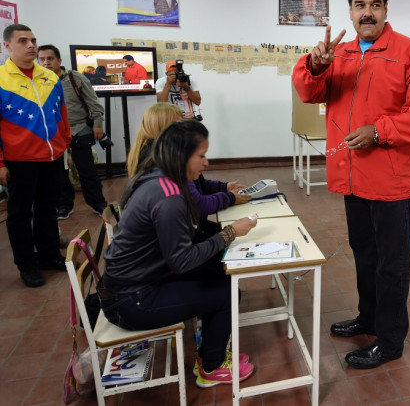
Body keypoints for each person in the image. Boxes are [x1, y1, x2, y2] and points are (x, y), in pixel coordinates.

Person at [292, 0, 410, 369]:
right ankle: (369, 317)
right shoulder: (338, 54)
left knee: (391, 265)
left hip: (392, 182)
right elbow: (309, 92)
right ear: (350, 11)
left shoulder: (408, 52)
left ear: (386, 9)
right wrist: (314, 63)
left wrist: (380, 131)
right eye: (360, 5)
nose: (367, 12)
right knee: (364, 254)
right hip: (353, 178)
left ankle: (390, 340)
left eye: (375, 5)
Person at [100, 120, 257, 388]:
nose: (206, 163)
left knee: (222, 274)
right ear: (181, 156)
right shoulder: (169, 197)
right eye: (201, 156)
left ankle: (209, 348)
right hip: (131, 301)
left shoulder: (159, 177)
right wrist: (229, 233)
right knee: (227, 292)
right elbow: (182, 261)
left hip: (136, 283)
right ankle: (212, 367)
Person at [0, 24, 72, 288]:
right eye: (22, 41)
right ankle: (27, 264)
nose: (31, 45)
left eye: (33, 40)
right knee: (19, 214)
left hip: (52, 157)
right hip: (19, 161)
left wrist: (65, 146)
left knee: (47, 209)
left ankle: (49, 255)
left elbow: (61, 114)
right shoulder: (0, 79)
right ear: (7, 46)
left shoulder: (50, 76)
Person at [126, 103, 249, 237]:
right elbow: (197, 205)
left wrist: (223, 187)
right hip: (177, 236)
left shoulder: (150, 152)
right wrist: (230, 198)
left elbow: (195, 185)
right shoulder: (167, 159)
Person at [37, 44, 108, 218]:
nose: (46, 63)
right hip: (53, 135)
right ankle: (64, 206)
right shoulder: (37, 82)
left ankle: (98, 203)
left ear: (59, 61)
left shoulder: (75, 78)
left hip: (78, 130)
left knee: (87, 171)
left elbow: (94, 103)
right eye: (42, 59)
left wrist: (98, 124)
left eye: (50, 58)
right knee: (59, 174)